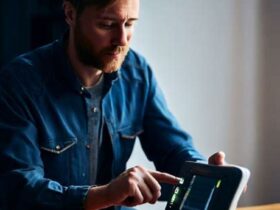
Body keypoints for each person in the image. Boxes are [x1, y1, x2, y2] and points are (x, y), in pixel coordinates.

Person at [0, 0, 226, 209]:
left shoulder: (137, 73)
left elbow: (172, 149)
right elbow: (20, 188)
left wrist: (205, 172)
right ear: (70, 14)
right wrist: (105, 195)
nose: (122, 39)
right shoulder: (20, 81)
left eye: (129, 24)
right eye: (107, 25)